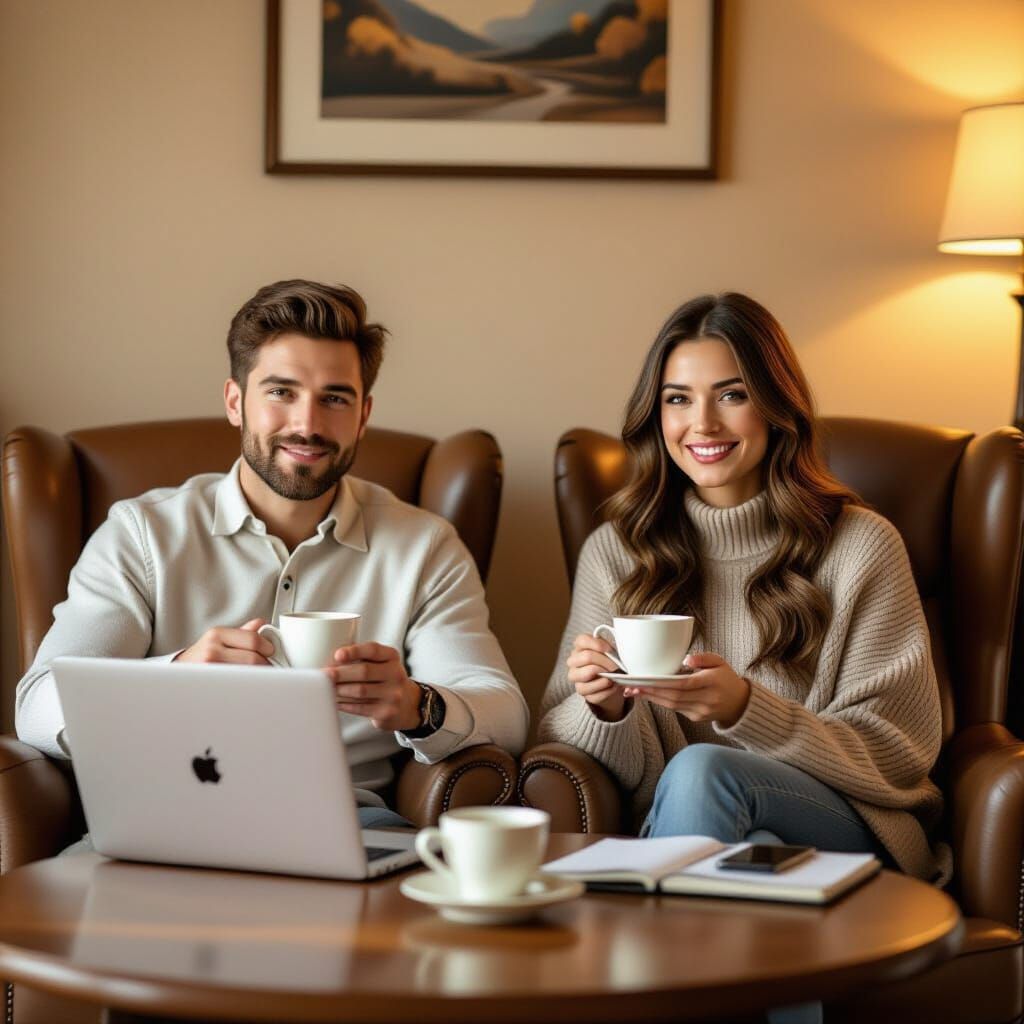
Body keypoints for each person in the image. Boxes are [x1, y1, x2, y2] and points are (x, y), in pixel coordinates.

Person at [16, 279, 529, 828]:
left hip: (348, 824)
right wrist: (176, 677)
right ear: (236, 402)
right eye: (281, 392)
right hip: (164, 820)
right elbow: (39, 705)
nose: (307, 424)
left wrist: (416, 704)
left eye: (334, 398)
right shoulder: (142, 534)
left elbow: (505, 710)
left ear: (363, 415)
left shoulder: (424, 547)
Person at [538, 292, 947, 886]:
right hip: (693, 825)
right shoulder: (617, 550)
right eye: (679, 399)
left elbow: (900, 751)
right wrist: (604, 708)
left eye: (732, 395)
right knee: (746, 854)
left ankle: (657, 966)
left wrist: (747, 711)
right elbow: (553, 739)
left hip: (851, 823)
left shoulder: (861, 545)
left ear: (776, 406)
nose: (702, 424)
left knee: (705, 771)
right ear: (658, 416)